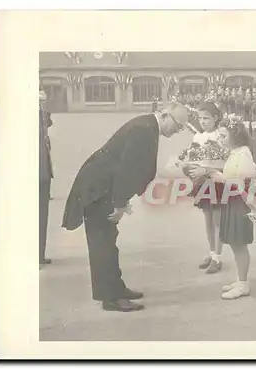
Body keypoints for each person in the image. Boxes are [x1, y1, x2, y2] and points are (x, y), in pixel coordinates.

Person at [62, 102, 190, 312]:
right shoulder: (144, 129)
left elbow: (133, 168)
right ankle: (110, 298)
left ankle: (116, 288)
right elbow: (126, 169)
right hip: (98, 190)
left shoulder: (148, 126)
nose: (179, 131)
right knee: (102, 243)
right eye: (179, 125)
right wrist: (119, 204)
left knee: (108, 241)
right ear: (165, 115)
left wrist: (122, 199)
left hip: (104, 187)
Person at [192, 119, 256, 299]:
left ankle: (243, 284)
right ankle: (240, 279)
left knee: (239, 244)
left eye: (223, 135)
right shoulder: (235, 152)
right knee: (235, 244)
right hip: (232, 200)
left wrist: (220, 177)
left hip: (240, 203)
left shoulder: (243, 154)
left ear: (234, 135)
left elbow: (245, 183)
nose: (220, 139)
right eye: (219, 135)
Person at [183, 102, 225, 274]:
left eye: (206, 118)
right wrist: (189, 168)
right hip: (203, 181)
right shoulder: (197, 137)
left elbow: (224, 162)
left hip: (216, 180)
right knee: (207, 219)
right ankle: (212, 251)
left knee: (217, 220)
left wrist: (206, 170)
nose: (203, 121)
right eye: (200, 118)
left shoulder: (220, 136)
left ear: (215, 118)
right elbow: (193, 158)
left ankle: (218, 257)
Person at [39, 89, 53, 267]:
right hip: (37, 173)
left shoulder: (42, 114)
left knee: (42, 215)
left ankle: (39, 254)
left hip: (43, 172)